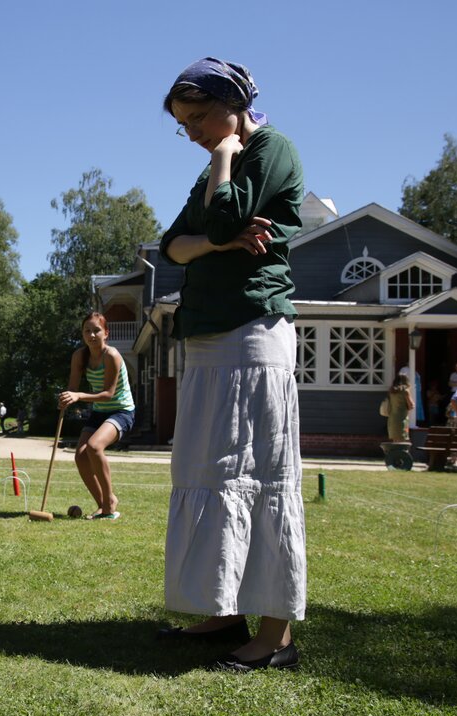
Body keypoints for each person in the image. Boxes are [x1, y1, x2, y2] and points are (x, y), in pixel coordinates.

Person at [154, 58, 306, 672]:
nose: (191, 132)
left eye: (198, 118)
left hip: (253, 335)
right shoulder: (217, 159)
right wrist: (219, 240)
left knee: (260, 474)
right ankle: (224, 613)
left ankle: (276, 638)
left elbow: (212, 220)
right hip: (211, 338)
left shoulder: (271, 150)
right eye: (183, 124)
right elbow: (174, 245)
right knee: (211, 471)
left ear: (235, 103)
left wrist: (224, 162)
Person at [58, 312, 135, 519]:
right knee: (81, 456)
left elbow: (108, 393)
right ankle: (103, 505)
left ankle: (110, 502)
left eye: (96, 330)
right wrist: (67, 398)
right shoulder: (79, 356)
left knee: (94, 447)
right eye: (87, 331)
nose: (91, 335)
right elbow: (72, 388)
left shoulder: (112, 355)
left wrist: (78, 396)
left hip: (121, 411)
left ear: (106, 333)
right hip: (100, 412)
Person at [386, 373, 415, 441]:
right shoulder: (405, 391)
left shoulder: (391, 391)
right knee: (402, 441)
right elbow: (411, 406)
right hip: (402, 419)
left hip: (392, 418)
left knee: (395, 441)